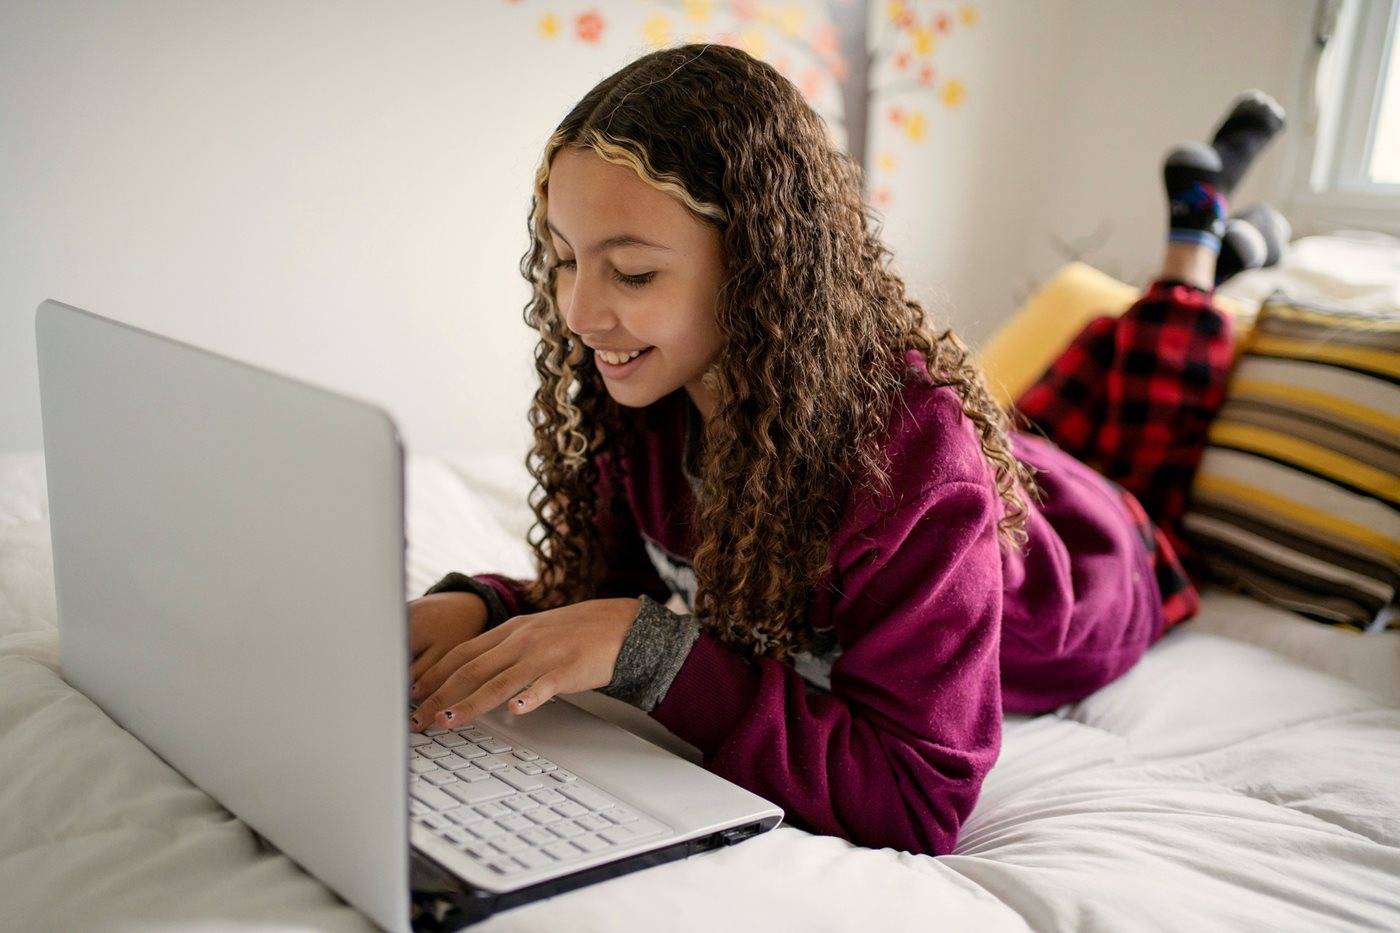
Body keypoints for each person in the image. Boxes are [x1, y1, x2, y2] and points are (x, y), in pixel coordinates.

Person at [405, 44, 1287, 857]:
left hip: (1093, 557)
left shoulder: (915, 464)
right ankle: (1215, 252)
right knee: (1061, 389)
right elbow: (602, 604)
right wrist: (486, 609)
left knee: (1151, 466)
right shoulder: (651, 391)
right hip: (1003, 466)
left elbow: (919, 794)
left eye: (631, 272)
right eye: (561, 260)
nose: (578, 311)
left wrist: (653, 654)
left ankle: (1197, 250)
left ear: (759, 265)